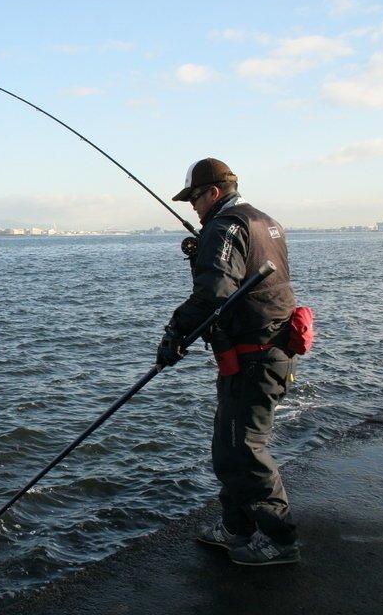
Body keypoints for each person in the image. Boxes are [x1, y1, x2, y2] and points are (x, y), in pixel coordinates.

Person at [156, 158, 300, 566]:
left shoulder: (226, 225)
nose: (192, 207)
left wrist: (175, 332)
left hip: (257, 355)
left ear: (213, 193)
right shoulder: (263, 221)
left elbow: (215, 292)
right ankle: (237, 526)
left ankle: (280, 539)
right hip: (264, 352)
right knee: (228, 445)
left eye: (195, 197)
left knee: (244, 449)